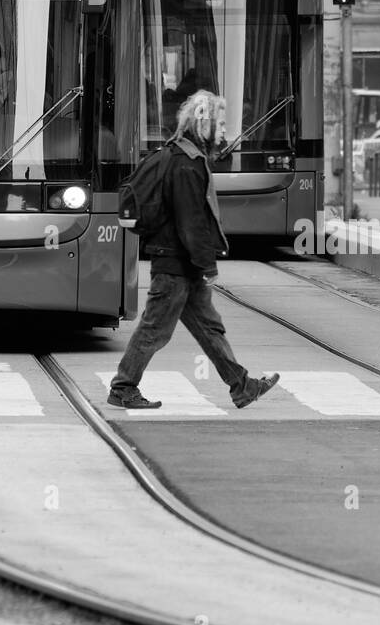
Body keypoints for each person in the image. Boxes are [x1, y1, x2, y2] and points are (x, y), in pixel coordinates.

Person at [108, 89, 280, 411]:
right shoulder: (186, 165)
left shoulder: (184, 157)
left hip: (183, 266)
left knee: (209, 328)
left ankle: (241, 386)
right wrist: (208, 265)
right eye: (220, 123)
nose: (224, 131)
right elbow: (191, 223)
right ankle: (123, 387)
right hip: (175, 266)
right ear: (204, 125)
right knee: (154, 330)